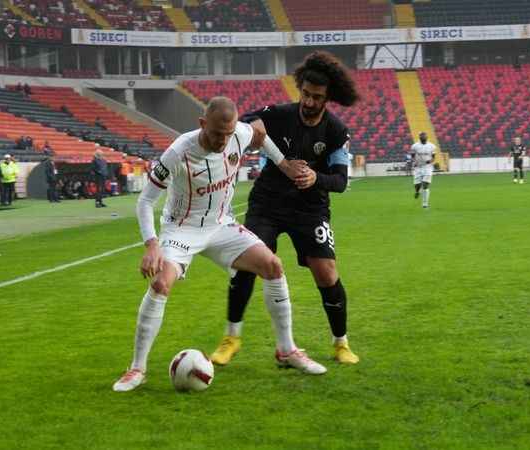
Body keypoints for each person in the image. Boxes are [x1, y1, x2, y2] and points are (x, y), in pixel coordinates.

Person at [112, 97, 324, 392]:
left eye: (228, 134)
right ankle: (136, 369)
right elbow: (145, 201)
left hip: (221, 225)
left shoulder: (239, 133)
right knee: (161, 284)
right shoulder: (178, 152)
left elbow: (261, 137)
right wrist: (151, 245)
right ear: (202, 124)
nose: (223, 141)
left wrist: (285, 165)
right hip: (181, 230)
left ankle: (286, 350)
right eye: (216, 134)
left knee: (273, 266)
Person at [211, 51, 361, 366]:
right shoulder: (279, 114)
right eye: (305, 94)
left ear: (327, 98)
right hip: (267, 203)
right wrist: (260, 135)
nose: (308, 101)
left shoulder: (335, 131)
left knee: (327, 272)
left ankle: (340, 343)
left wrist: (314, 177)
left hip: (310, 209)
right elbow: (247, 123)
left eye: (316, 97)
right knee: (248, 264)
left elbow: (341, 181)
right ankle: (231, 338)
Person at [411, 132, 437, 208]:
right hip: (418, 167)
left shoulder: (432, 146)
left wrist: (430, 161)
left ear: (427, 137)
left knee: (425, 185)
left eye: (424, 136)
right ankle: (417, 191)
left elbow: (433, 157)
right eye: (421, 136)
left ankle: (425, 204)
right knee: (417, 185)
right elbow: (412, 156)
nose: (423, 137)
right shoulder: (414, 146)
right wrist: (415, 161)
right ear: (419, 138)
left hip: (427, 167)